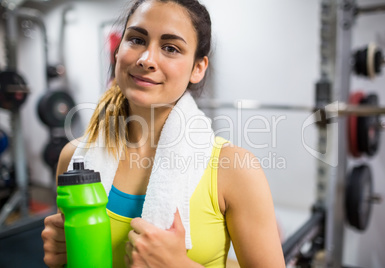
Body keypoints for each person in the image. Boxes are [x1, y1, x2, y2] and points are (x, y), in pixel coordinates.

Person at [41, 0, 285, 267]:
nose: (146, 59)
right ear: (118, 50)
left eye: (170, 48)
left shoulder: (236, 170)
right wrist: (60, 258)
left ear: (198, 68)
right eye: (136, 39)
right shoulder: (74, 159)